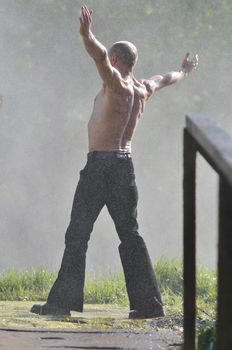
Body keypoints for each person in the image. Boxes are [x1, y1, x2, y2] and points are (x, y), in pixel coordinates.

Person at [31, 5, 198, 319]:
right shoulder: (143, 88)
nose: (108, 61)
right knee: (130, 233)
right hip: (125, 167)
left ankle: (60, 304)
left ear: (117, 60)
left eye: (111, 58)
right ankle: (149, 305)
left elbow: (98, 56)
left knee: (77, 233)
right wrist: (185, 71)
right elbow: (167, 77)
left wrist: (87, 34)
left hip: (100, 166)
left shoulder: (116, 83)